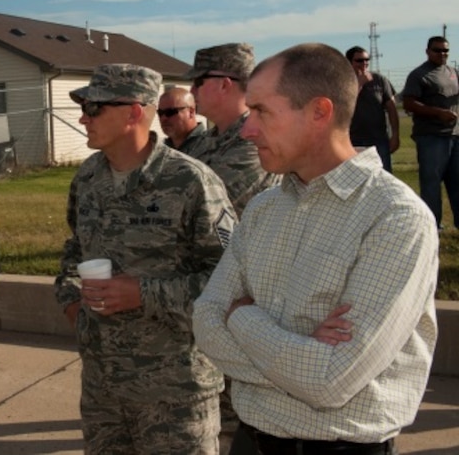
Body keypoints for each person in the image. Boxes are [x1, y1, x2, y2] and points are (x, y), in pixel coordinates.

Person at [193, 43, 438, 455]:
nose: (248, 129)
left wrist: (243, 316)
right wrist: (298, 348)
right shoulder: (264, 208)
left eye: (262, 111)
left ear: (319, 112)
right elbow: (206, 323)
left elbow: (330, 381)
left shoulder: (395, 217)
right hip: (250, 440)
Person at [54, 63, 236, 455]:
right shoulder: (88, 179)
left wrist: (144, 293)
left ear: (134, 112)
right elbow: (74, 251)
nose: (83, 117)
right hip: (103, 387)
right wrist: (71, 300)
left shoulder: (191, 182)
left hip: (174, 391)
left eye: (94, 108)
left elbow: (232, 284)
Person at [186, 43, 280, 217]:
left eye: (198, 82)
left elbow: (197, 206)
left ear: (224, 85)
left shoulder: (256, 141)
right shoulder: (203, 141)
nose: (191, 90)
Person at [403, 36, 459, 229]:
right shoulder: (419, 75)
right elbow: (408, 103)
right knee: (431, 185)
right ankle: (432, 226)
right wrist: (437, 113)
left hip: (455, 136)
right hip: (431, 137)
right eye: (437, 50)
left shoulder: (452, 72)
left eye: (445, 51)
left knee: (457, 183)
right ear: (427, 51)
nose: (442, 54)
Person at [345, 46, 400, 172]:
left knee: (382, 178)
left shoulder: (379, 80)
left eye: (366, 60)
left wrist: (395, 135)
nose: (364, 63)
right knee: (354, 179)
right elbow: (345, 103)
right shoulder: (341, 81)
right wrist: (359, 83)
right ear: (348, 62)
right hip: (351, 140)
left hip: (378, 139)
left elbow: (391, 108)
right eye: (359, 60)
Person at [157, 86, 206, 155]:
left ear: (191, 112)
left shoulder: (210, 146)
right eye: (160, 113)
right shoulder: (159, 151)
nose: (163, 118)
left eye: (171, 112)